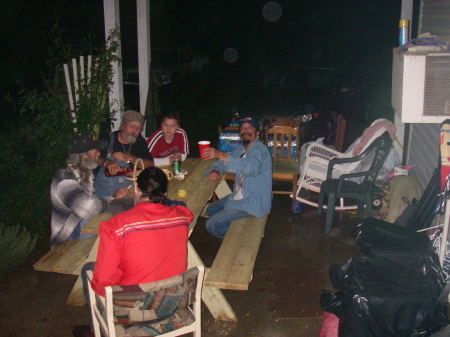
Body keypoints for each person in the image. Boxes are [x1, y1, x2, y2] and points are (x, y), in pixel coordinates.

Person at [51, 133, 130, 248]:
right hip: (69, 232)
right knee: (119, 226)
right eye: (96, 151)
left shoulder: (84, 171)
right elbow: (91, 209)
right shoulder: (65, 178)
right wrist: (114, 198)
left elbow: (94, 201)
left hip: (81, 222)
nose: (99, 153)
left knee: (127, 209)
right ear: (84, 155)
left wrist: (120, 201)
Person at [202, 117, 272, 238]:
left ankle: (247, 236)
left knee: (211, 225)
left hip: (253, 200)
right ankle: (237, 225)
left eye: (250, 128)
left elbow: (250, 167)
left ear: (258, 133)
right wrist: (216, 170)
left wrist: (220, 154)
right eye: (243, 128)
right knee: (211, 210)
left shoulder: (260, 150)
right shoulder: (241, 149)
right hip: (239, 195)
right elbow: (223, 162)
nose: (246, 130)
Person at [94, 110, 154, 198]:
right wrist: (107, 162)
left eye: (138, 128)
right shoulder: (107, 138)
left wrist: (130, 158)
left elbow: (150, 166)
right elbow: (92, 160)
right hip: (104, 195)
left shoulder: (139, 142)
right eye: (131, 126)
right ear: (122, 125)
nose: (134, 131)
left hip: (128, 192)